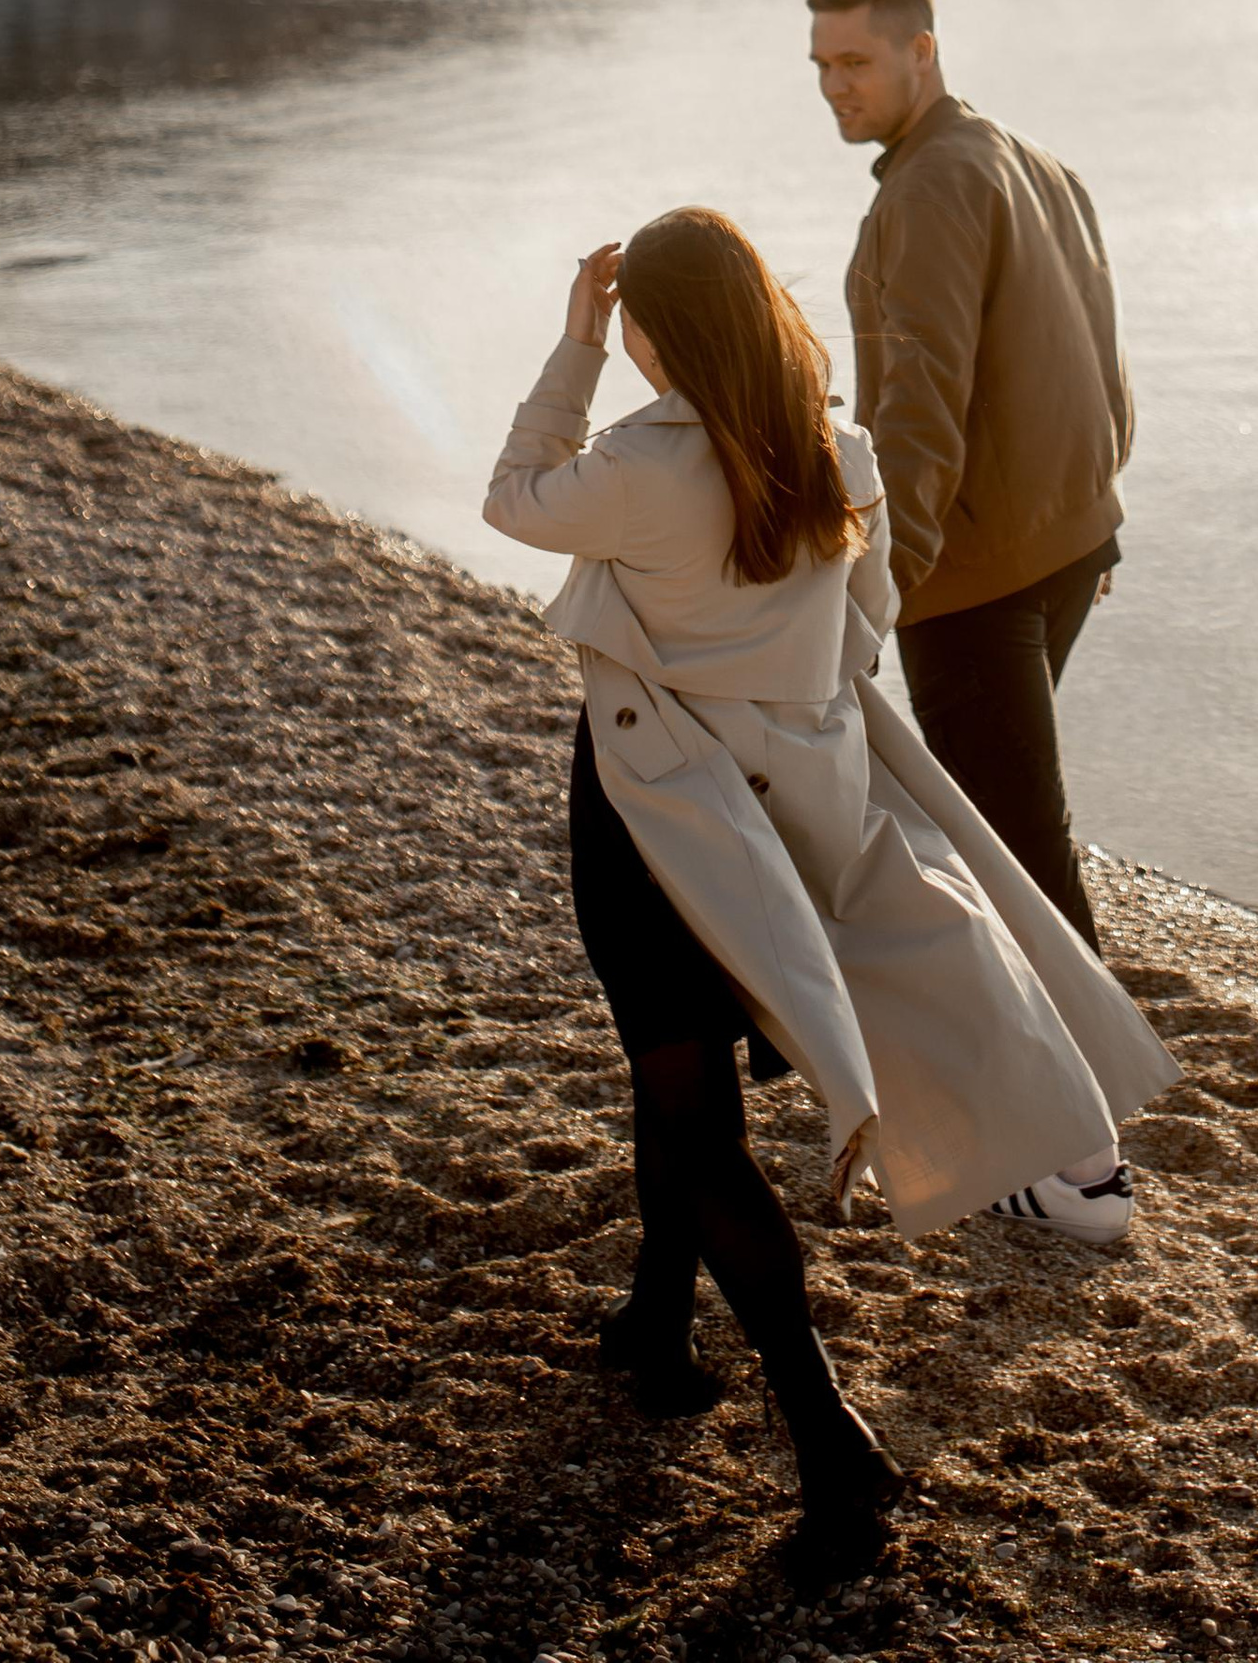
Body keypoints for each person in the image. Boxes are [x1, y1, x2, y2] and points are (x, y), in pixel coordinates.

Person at [484, 209, 1173, 1601]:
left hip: (657, 804)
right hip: (794, 806)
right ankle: (657, 1323)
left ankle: (826, 1434)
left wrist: (570, 346)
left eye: (632, 320)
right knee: (677, 1076)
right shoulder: (841, 453)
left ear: (658, 330)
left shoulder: (638, 464)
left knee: (686, 1098)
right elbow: (867, 624)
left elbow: (512, 496)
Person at [806, 0, 1131, 982]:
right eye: (819, 64)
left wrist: (883, 578)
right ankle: (1078, 1079)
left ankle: (1085, 1100)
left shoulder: (931, 186)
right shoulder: (1027, 159)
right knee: (1017, 822)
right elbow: (1102, 351)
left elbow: (920, 400)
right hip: (1064, 544)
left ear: (922, 51)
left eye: (856, 60)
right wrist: (1097, 504)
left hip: (975, 577)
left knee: (1014, 849)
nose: (834, 86)